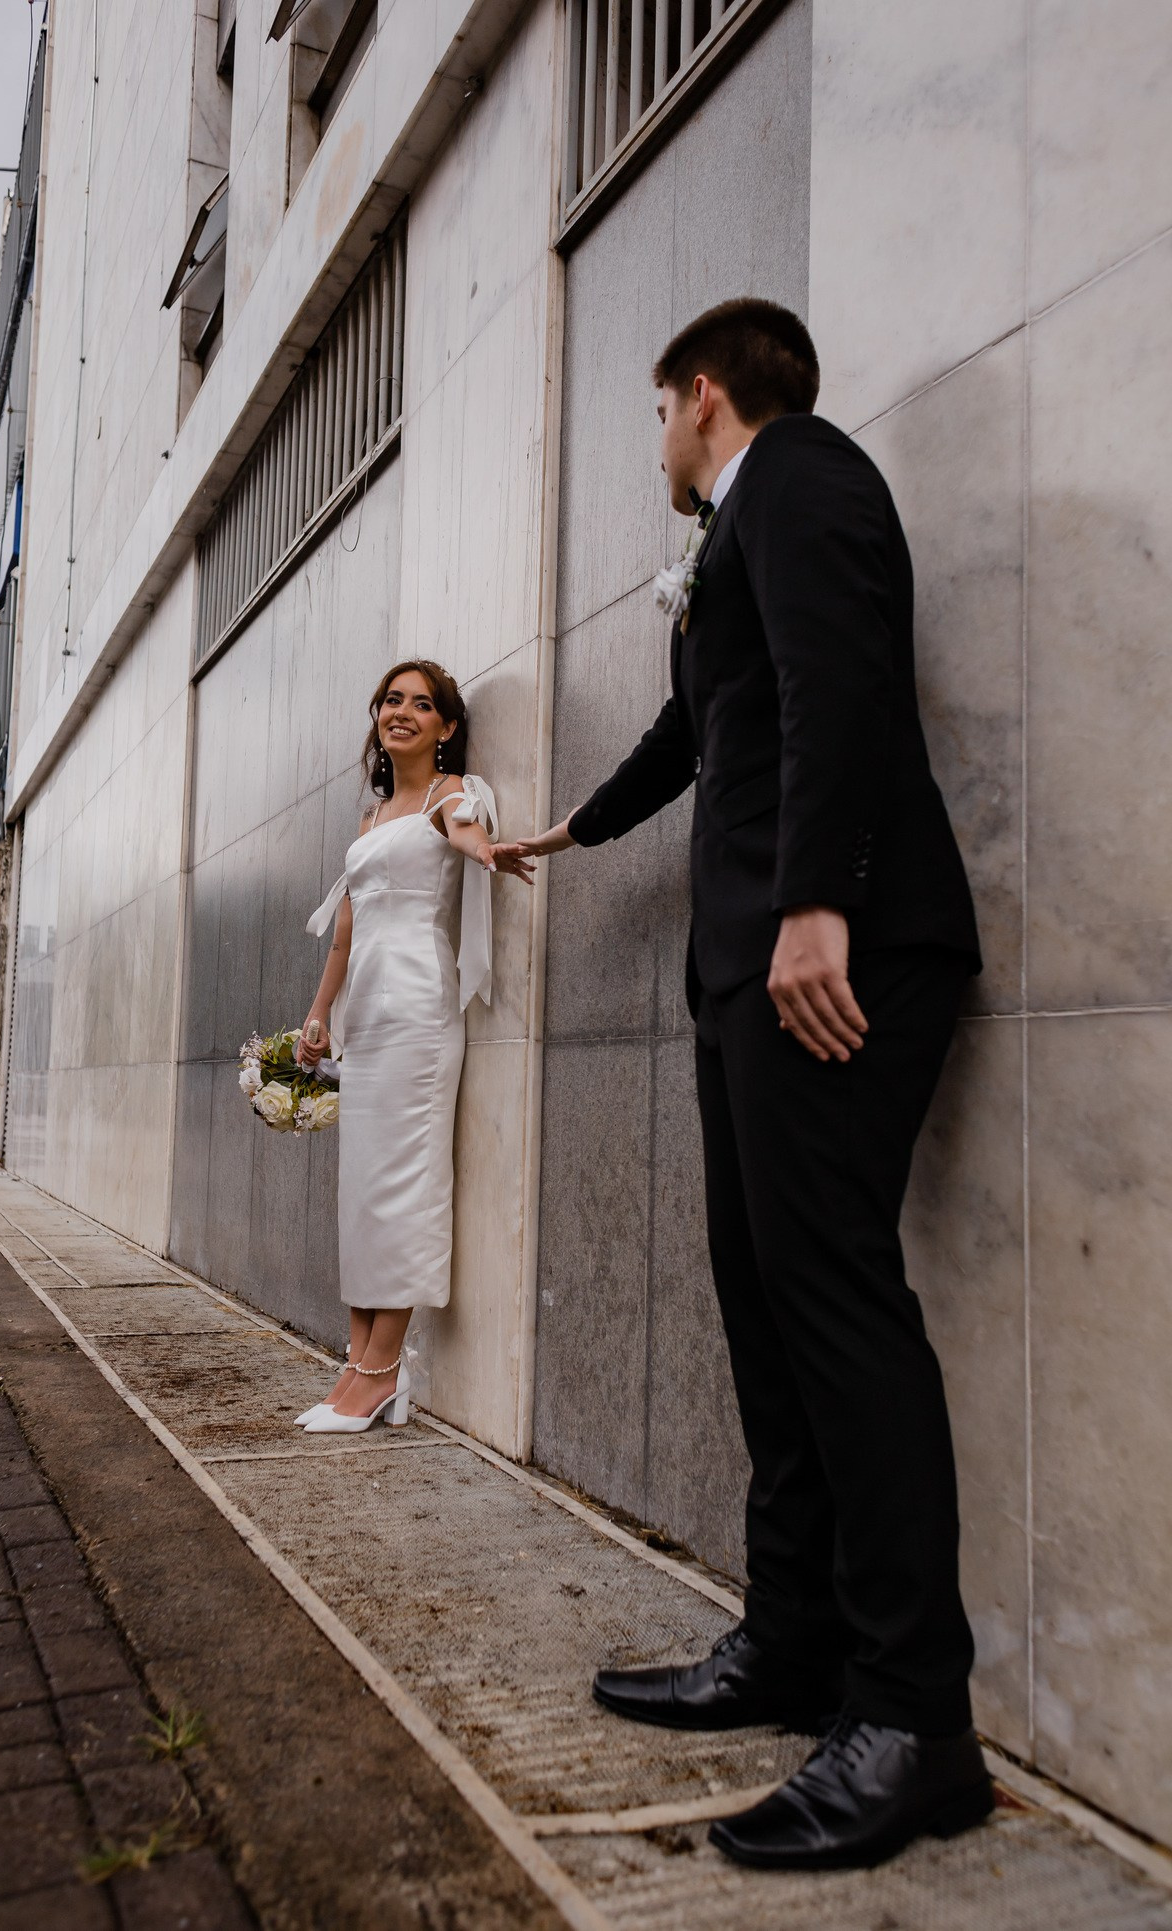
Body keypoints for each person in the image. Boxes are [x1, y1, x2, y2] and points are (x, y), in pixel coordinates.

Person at [500, 300, 993, 1870]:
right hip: (755, 966)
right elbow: (695, 730)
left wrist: (816, 900)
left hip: (828, 956)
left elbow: (847, 683)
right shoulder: (738, 535)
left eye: (658, 414)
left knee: (834, 1297)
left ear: (702, 396)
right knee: (770, 1299)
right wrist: (562, 831)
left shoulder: (802, 477)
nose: (657, 443)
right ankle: (796, 1642)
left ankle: (916, 1717)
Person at [293, 659, 532, 1434]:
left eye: (420, 704)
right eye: (391, 700)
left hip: (421, 1013)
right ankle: (360, 1361)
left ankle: (383, 1368)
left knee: (402, 1180)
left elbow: (466, 824)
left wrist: (481, 846)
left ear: (446, 726)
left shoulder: (442, 795)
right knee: (362, 1189)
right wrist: (320, 1012)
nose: (401, 712)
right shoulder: (370, 820)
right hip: (367, 1014)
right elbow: (347, 931)